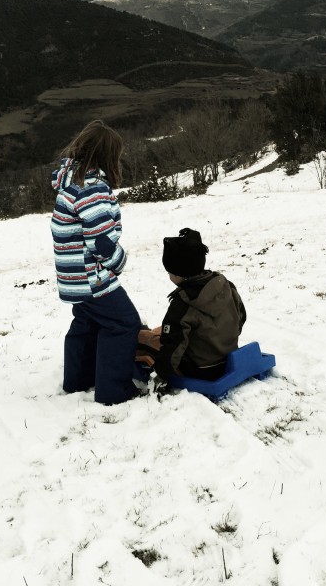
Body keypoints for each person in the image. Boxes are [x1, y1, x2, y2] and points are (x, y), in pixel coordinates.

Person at [50, 120, 141, 405]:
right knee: (124, 323)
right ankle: (114, 391)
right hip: (93, 278)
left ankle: (78, 380)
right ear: (107, 156)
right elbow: (100, 241)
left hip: (73, 277)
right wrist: (119, 261)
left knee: (87, 323)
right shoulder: (92, 189)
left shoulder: (71, 183)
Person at [136, 228, 246, 382]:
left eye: (169, 273)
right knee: (165, 330)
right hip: (227, 357)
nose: (169, 276)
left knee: (144, 338)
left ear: (178, 274)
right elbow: (240, 318)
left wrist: (162, 373)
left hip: (199, 369)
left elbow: (172, 348)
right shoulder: (226, 286)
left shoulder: (184, 303)